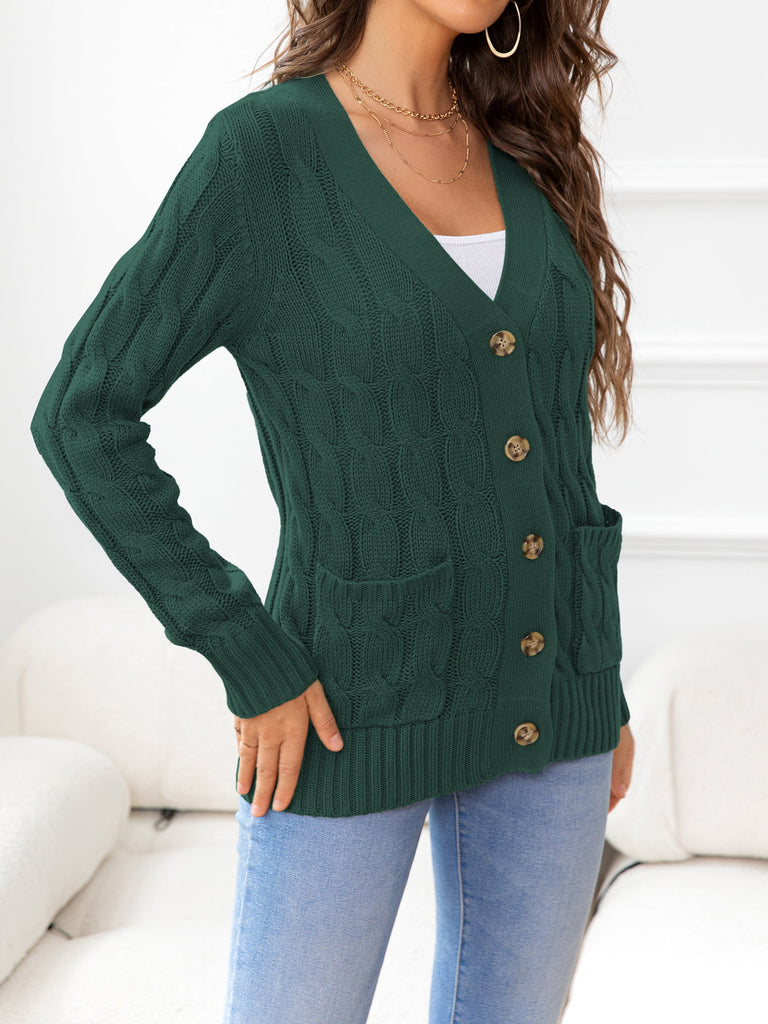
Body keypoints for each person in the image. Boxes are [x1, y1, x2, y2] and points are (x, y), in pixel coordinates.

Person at [29, 1, 638, 1021]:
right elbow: (81, 414)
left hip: (554, 703)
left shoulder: (521, 138)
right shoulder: (265, 157)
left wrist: (596, 680)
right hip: (347, 705)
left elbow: (556, 456)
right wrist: (246, 650)